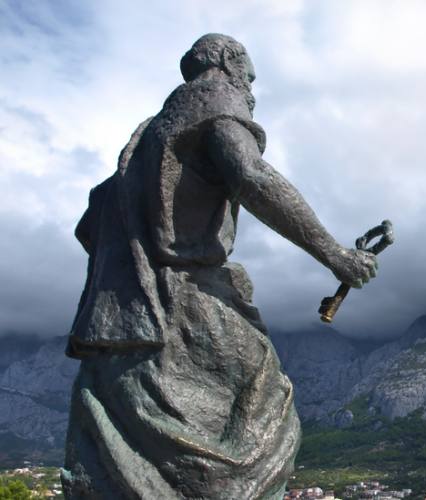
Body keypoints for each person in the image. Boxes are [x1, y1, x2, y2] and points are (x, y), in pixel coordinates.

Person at [62, 33, 377, 499]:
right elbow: (251, 175)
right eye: (249, 76)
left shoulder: (147, 136)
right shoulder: (216, 100)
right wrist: (336, 254)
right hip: (184, 301)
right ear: (229, 62)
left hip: (119, 320)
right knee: (269, 409)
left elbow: (89, 224)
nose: (251, 89)